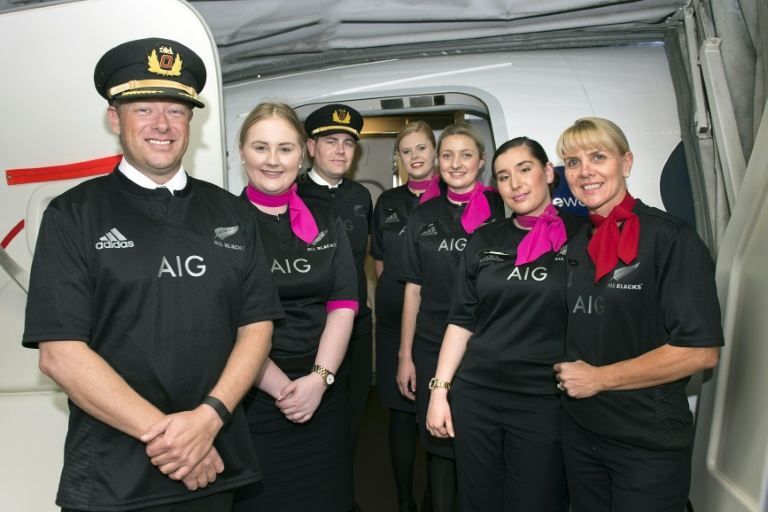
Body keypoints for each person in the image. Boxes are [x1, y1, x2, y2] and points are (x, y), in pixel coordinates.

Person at [22, 38, 283, 512]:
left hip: (213, 467)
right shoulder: (73, 214)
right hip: (113, 476)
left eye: (176, 111)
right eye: (143, 109)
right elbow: (59, 354)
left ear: (191, 122)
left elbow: (257, 328)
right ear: (114, 117)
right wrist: (176, 439)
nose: (162, 125)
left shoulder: (230, 212)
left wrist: (208, 420)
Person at [552, 117, 722, 512]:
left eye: (598, 156)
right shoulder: (578, 243)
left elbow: (700, 352)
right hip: (582, 436)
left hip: (646, 443)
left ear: (626, 163)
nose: (585, 171)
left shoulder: (671, 239)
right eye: (573, 162)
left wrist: (599, 379)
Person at [425, 137, 580, 511]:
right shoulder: (484, 239)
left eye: (525, 170)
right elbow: (462, 319)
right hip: (477, 395)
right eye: (504, 176)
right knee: (478, 501)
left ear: (547, 173)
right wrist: (439, 391)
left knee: (535, 502)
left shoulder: (581, 236)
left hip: (544, 399)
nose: (516, 184)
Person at [232, 102, 358, 511]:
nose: (272, 160)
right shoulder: (221, 223)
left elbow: (343, 303)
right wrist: (284, 389)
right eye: (260, 147)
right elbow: (223, 320)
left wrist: (319, 380)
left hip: (324, 392)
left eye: (284, 148)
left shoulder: (326, 218)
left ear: (301, 154)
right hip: (252, 396)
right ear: (241, 151)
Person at [396, 122, 505, 511]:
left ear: (481, 162)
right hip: (431, 343)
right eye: (447, 155)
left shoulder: (504, 208)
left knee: (482, 444)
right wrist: (405, 355)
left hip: (487, 346)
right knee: (439, 446)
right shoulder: (423, 215)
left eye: (465, 155)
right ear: (438, 163)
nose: (455, 163)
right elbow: (413, 289)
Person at [371, 121, 440, 512]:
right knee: (398, 416)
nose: (415, 157)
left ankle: (435, 499)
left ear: (434, 152)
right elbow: (380, 261)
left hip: (437, 322)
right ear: (400, 158)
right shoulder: (388, 203)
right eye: (407, 151)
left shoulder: (452, 199)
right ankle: (404, 501)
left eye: (421, 149)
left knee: (435, 410)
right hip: (395, 321)